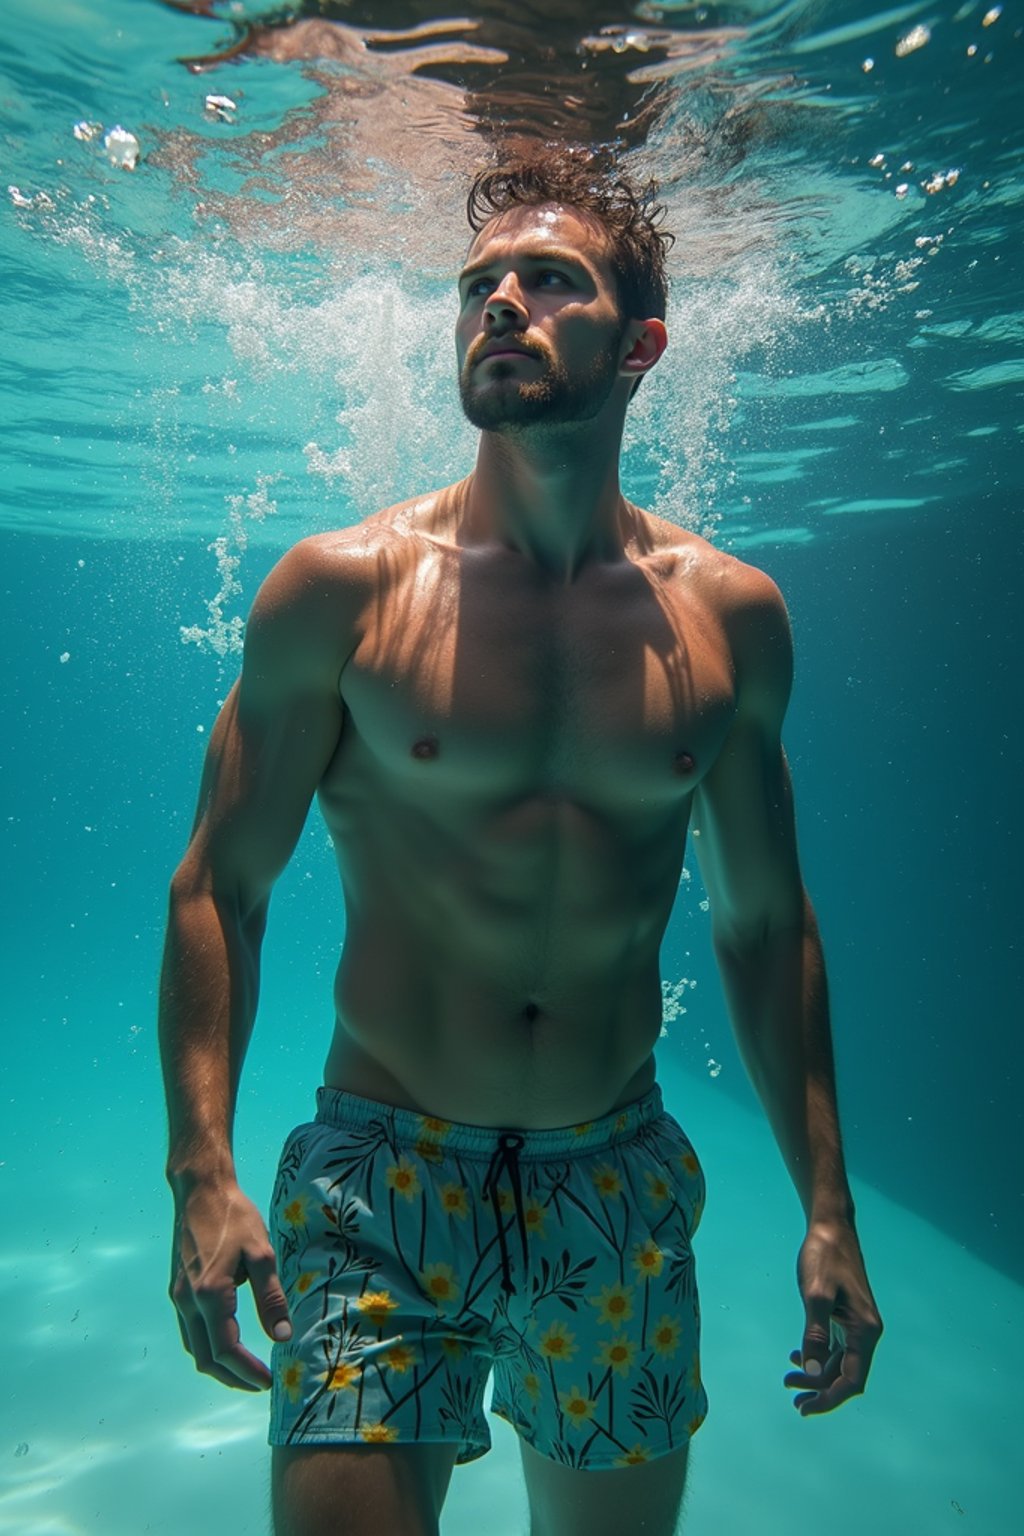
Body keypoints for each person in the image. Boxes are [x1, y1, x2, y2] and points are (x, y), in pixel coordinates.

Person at [160, 153, 882, 1536]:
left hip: (611, 1180)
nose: (502, 302)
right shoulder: (341, 592)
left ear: (641, 344)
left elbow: (763, 925)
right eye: (479, 284)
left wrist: (829, 1210)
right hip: (383, 1181)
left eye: (552, 281)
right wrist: (203, 1173)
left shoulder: (732, 618)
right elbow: (218, 887)